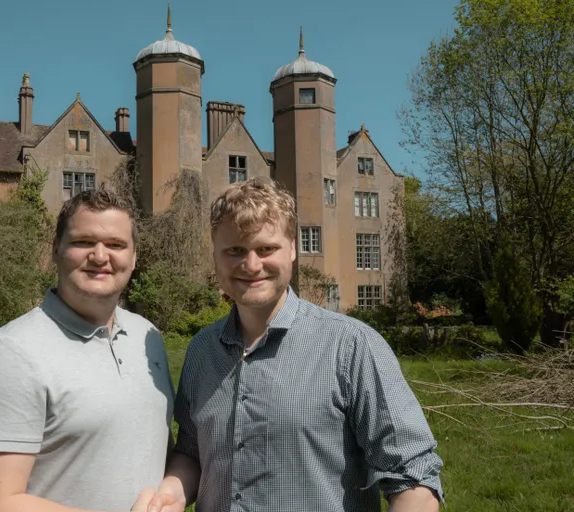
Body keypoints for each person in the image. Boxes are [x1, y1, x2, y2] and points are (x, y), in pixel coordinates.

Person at [143, 177, 444, 512]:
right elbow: (191, 452)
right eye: (235, 251)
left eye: (266, 249)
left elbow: (413, 474)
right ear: (215, 255)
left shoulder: (351, 346)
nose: (252, 265)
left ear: (292, 248)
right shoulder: (202, 350)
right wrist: (171, 494)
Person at [0, 188, 174, 512]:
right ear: (56, 250)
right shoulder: (11, 354)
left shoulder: (147, 337)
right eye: (84, 242)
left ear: (134, 257)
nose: (100, 256)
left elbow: (154, 449)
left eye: (115, 245)